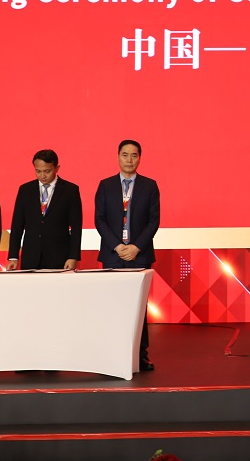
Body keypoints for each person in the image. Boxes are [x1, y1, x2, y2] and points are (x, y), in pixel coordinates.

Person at [95, 139, 159, 371]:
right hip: (113, 255)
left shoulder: (149, 186)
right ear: (118, 157)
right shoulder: (105, 185)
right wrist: (117, 246)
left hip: (139, 256)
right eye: (125, 155)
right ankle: (112, 353)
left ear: (139, 158)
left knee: (139, 307)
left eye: (134, 155)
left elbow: (154, 221)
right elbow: (99, 219)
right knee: (113, 305)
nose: (129, 160)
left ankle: (141, 355)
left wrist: (136, 247)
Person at [7, 149, 83, 271]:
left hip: (59, 257)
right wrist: (13, 256)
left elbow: (76, 226)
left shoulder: (70, 190)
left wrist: (73, 257)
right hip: (31, 257)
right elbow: (17, 225)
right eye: (38, 171)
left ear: (57, 168)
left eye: (47, 171)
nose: (42, 176)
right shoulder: (25, 190)